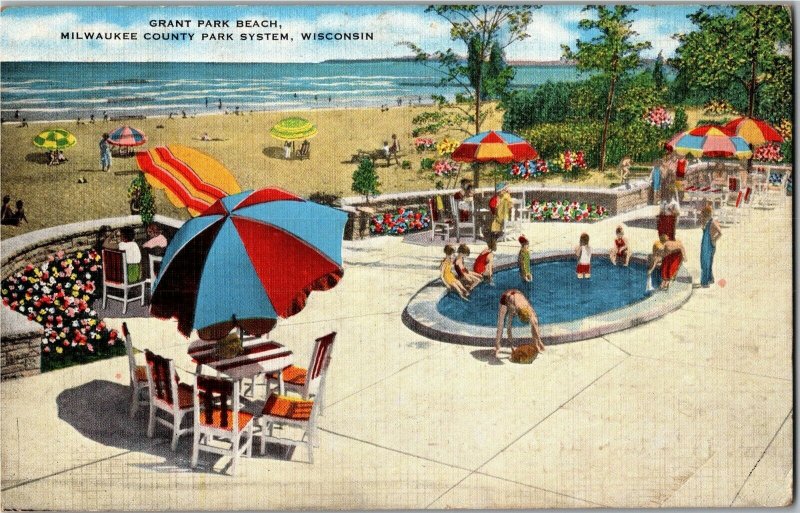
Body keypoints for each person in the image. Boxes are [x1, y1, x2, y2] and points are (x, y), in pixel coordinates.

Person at [494, 289, 544, 358]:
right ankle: (497, 346)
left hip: (517, 294)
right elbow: (508, 328)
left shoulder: (528, 307)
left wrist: (539, 341)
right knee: (501, 323)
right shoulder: (513, 307)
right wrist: (512, 347)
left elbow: (535, 323)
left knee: (534, 321)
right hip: (506, 298)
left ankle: (536, 346)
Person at [699, 205, 722, 288]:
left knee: (705, 263)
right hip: (706, 245)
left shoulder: (712, 222)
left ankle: (705, 282)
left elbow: (720, 232)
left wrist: (714, 239)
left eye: (703, 215)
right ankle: (710, 278)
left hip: (709, 245)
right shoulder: (707, 222)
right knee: (708, 262)